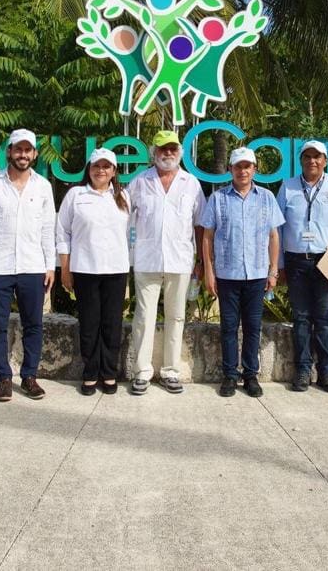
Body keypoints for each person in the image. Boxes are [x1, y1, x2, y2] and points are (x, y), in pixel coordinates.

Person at [0, 128, 56, 402]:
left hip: (32, 265)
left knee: (34, 324)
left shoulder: (43, 186)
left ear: (35, 154)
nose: (23, 155)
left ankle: (29, 377)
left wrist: (50, 266)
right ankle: (3, 378)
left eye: (28, 150)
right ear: (9, 152)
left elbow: (47, 227)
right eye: (18, 149)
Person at [201, 148, 284, 397]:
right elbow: (207, 237)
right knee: (228, 327)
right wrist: (209, 271)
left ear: (254, 169)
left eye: (247, 166)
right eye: (238, 166)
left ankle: (250, 375)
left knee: (252, 327)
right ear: (230, 170)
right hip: (227, 274)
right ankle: (229, 375)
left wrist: (273, 271)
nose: (243, 171)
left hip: (257, 274)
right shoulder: (218, 199)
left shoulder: (267, 197)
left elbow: (273, 236)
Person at [128, 130, 206, 395]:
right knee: (143, 317)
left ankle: (171, 372)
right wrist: (128, 253)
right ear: (154, 152)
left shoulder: (191, 183)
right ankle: (142, 372)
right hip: (146, 259)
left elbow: (199, 225)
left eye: (173, 149)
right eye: (163, 149)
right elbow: (126, 219)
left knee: (176, 316)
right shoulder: (140, 181)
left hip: (180, 259)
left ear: (180, 153)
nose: (168, 153)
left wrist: (199, 261)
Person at [277, 140, 328, 393]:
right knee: (300, 318)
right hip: (296, 260)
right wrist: (278, 264)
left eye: (317, 157)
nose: (312, 160)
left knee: (323, 319)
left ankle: (327, 371)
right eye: (308, 156)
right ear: (301, 160)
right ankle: (302, 370)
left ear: (325, 161)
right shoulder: (287, 187)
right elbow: (277, 228)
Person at [56, 148, 131, 396]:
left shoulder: (123, 196)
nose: (101, 170)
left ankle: (109, 373)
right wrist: (65, 268)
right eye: (96, 166)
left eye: (106, 166)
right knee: (89, 324)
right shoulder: (75, 195)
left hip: (116, 270)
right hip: (85, 269)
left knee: (112, 324)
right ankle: (90, 373)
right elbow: (63, 233)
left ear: (114, 171)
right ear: (89, 169)